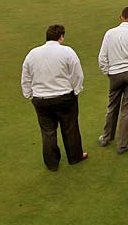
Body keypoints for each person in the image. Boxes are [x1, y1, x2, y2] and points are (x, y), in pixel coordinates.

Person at [20, 24, 86, 171]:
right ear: (61, 37)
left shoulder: (32, 54)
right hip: (64, 97)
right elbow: (77, 73)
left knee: (48, 132)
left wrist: (29, 94)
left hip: (40, 99)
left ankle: (52, 163)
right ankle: (75, 157)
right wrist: (76, 90)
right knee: (70, 128)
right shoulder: (67, 51)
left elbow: (25, 77)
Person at [97, 6, 128, 154]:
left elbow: (102, 57)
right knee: (126, 109)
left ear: (120, 17)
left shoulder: (110, 33)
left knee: (112, 106)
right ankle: (122, 144)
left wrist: (108, 72)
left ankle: (106, 137)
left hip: (115, 74)